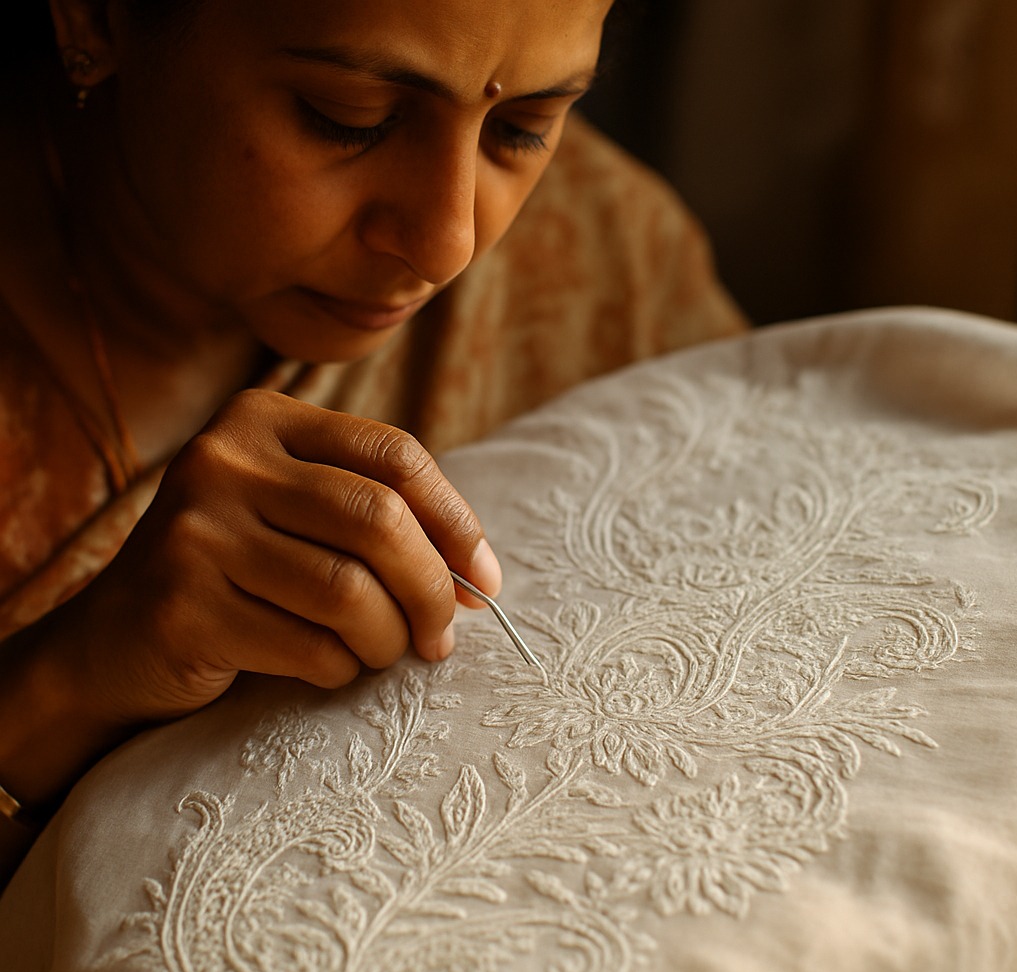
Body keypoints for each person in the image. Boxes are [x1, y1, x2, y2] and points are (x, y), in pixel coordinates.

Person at [0, 0, 745, 878]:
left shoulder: (602, 254)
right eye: (351, 118)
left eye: (522, 129)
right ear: (97, 17)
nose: (448, 244)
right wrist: (56, 686)